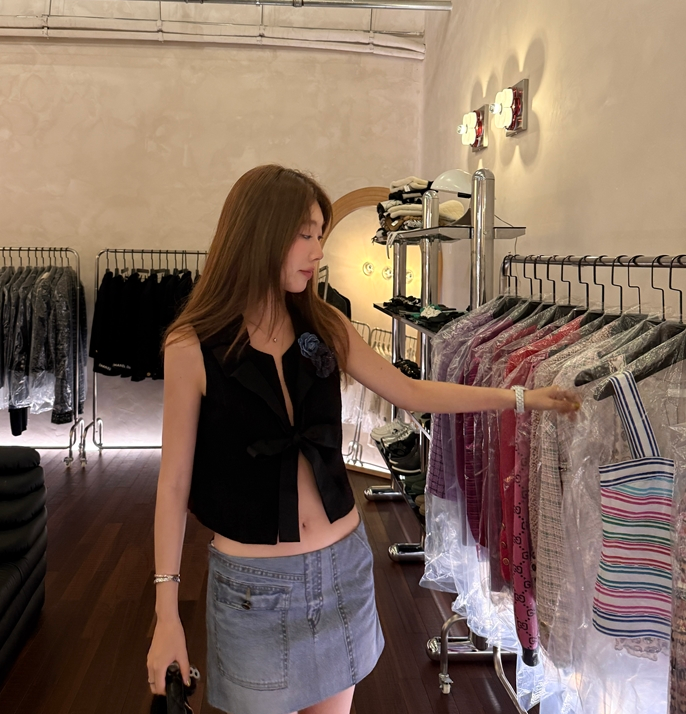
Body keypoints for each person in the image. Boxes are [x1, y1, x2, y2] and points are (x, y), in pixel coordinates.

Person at [146, 164, 579, 714]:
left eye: (319, 235)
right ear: (258, 234)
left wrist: (520, 397)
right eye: (304, 234)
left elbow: (410, 391)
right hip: (254, 590)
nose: (317, 250)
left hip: (343, 573)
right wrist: (166, 613)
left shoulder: (325, 323)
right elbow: (173, 484)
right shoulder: (192, 345)